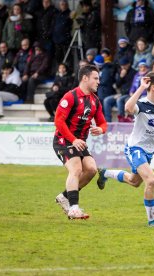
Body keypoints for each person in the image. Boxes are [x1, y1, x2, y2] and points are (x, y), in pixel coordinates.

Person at [96, 72, 154, 227]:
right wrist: (140, 88)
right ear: (153, 88)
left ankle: (106, 173)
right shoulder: (142, 104)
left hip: (149, 151)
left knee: (134, 181)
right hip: (135, 148)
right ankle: (152, 220)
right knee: (151, 181)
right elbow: (128, 107)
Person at [54, 64, 107, 220]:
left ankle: (64, 197)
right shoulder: (70, 97)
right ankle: (74, 208)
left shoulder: (95, 101)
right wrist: (73, 139)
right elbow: (58, 121)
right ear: (85, 78)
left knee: (91, 170)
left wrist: (101, 130)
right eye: (95, 78)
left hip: (80, 142)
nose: (98, 82)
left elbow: (103, 123)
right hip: (63, 140)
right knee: (76, 169)